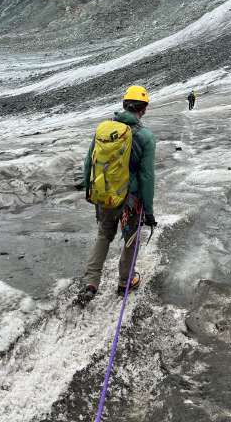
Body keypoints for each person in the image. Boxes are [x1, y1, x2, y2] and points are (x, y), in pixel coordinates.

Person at [78, 85, 157, 305]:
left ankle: (91, 283)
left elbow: (88, 163)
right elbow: (147, 177)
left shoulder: (105, 130)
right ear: (144, 109)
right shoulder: (145, 136)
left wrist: (91, 191)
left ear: (124, 105)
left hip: (105, 195)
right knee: (131, 240)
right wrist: (149, 211)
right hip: (130, 201)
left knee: (104, 235)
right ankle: (125, 282)